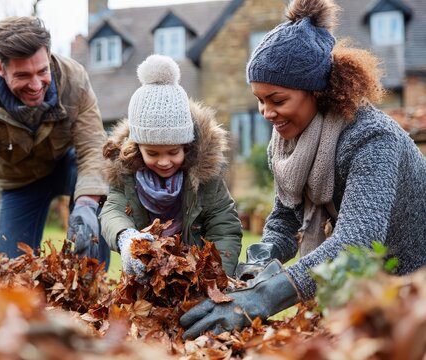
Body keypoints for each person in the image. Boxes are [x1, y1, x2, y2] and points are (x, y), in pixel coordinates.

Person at [180, 0, 426, 339]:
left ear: (318, 91)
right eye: (259, 100)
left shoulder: (372, 138)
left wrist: (266, 297)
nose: (266, 113)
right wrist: (259, 263)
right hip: (365, 293)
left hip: (414, 284)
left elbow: (358, 243)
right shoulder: (285, 144)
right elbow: (285, 218)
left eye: (277, 100)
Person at [0, 16, 110, 280]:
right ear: (0, 69)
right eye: (23, 76)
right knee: (16, 274)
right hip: (20, 179)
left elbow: (94, 144)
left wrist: (86, 204)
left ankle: (93, 292)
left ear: (48, 56)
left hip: (69, 165)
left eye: (42, 71)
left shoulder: (74, 78)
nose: (36, 85)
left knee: (95, 212)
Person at [100, 54, 242, 281]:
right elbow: (113, 211)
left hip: (197, 275)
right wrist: (126, 237)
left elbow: (223, 226)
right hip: (147, 276)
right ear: (137, 149)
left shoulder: (205, 177)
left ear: (187, 146)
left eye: (173, 152)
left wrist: (216, 276)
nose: (164, 161)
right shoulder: (127, 175)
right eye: (153, 153)